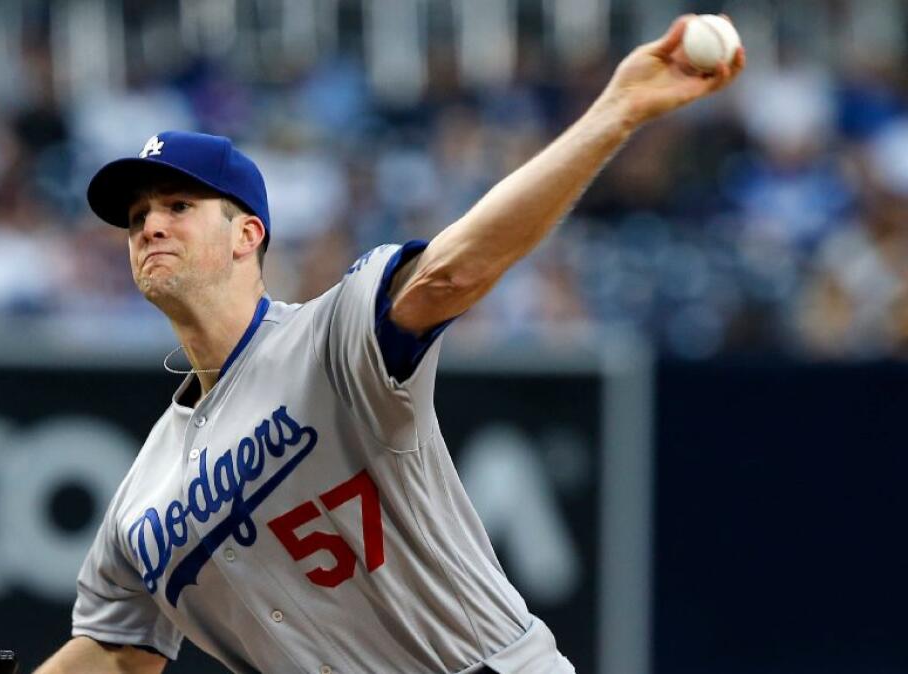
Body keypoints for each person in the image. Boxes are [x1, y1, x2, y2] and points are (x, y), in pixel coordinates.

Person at [37, 16, 744, 674]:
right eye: (135, 218)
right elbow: (113, 649)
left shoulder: (331, 338)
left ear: (247, 234)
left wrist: (612, 113)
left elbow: (452, 270)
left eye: (178, 207)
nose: (149, 227)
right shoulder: (140, 498)